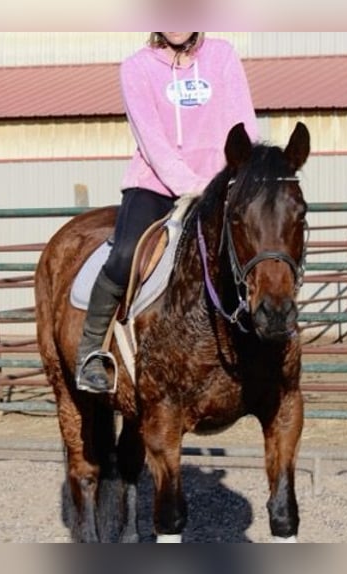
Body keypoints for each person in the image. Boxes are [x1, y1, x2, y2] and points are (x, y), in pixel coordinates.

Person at [76, 32, 260, 393]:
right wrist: (191, 185)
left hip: (223, 182)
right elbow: (151, 139)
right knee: (126, 255)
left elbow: (244, 124)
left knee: (259, 246)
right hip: (155, 184)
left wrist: (239, 174)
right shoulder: (136, 68)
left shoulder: (222, 55)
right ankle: (92, 351)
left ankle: (264, 340)